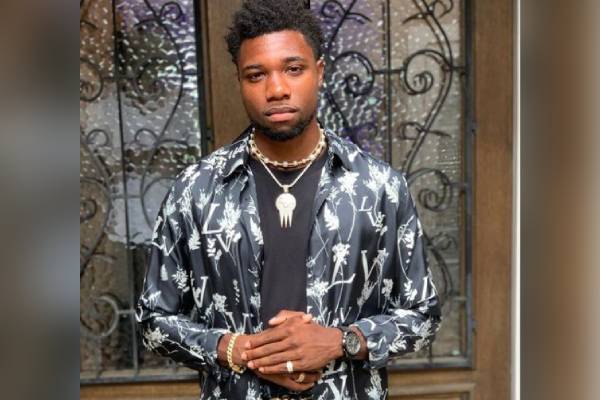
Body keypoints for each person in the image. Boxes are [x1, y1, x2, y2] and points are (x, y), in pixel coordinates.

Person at [136, 0, 442, 398]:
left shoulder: (379, 187)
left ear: (320, 72)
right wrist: (238, 350)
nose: (277, 89)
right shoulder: (196, 190)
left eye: (293, 69)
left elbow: (423, 315)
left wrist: (342, 341)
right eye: (256, 74)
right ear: (239, 80)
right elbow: (153, 319)